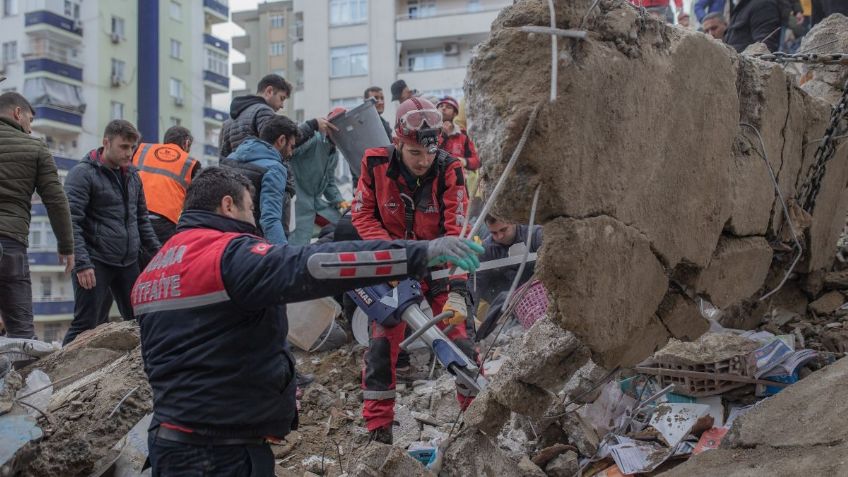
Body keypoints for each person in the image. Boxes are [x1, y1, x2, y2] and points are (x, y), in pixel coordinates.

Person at [134, 166, 482, 476]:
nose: (254, 222)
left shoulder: (152, 273)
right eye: (251, 210)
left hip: (169, 443)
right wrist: (420, 253)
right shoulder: (227, 256)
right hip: (220, 454)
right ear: (228, 206)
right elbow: (317, 264)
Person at [352, 96, 477, 444]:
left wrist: (457, 290)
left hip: (439, 267)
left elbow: (458, 229)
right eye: (414, 154)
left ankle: (478, 423)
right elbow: (362, 215)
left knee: (462, 342)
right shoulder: (375, 164)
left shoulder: (449, 169)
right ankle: (378, 434)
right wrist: (394, 256)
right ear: (397, 143)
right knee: (380, 348)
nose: (424, 161)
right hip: (392, 266)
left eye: (429, 153)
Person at [63, 120, 160, 345]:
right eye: (124, 147)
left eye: (132, 147)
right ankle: (57, 375)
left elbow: (142, 220)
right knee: (86, 324)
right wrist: (82, 264)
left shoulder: (133, 176)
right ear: (106, 142)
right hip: (95, 262)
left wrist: (159, 254)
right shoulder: (82, 174)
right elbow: (70, 222)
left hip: (128, 261)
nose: (130, 153)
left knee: (140, 320)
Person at [0, 92, 74, 339]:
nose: (30, 129)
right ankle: (20, 377)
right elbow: (55, 199)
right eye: (29, 121)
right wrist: (66, 245)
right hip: (10, 245)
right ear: (17, 113)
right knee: (21, 331)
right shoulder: (35, 147)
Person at [222, 115, 298, 245]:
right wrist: (282, 255)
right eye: (291, 146)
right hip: (252, 244)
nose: (291, 153)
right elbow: (270, 219)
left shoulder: (230, 158)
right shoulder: (275, 168)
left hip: (225, 240)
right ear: (281, 140)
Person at [219, 74, 333, 158]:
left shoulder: (230, 120)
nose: (282, 106)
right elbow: (282, 143)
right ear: (269, 91)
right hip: (259, 183)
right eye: (281, 98)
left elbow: (223, 158)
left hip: (238, 185)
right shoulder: (262, 111)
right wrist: (313, 124)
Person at [132, 125, 200, 248]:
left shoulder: (142, 150)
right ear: (186, 143)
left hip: (133, 215)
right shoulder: (191, 163)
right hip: (164, 223)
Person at [289, 108, 349, 246]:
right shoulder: (314, 140)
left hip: (315, 204)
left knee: (344, 225)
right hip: (298, 202)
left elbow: (329, 183)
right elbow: (290, 151)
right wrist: (311, 126)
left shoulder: (334, 153)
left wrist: (339, 201)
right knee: (297, 246)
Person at [437, 96, 480, 173]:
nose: (443, 108)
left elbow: (476, 161)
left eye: (448, 107)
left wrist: (464, 161)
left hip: (458, 180)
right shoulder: (430, 132)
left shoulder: (463, 134)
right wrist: (443, 135)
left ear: (455, 113)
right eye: (441, 106)